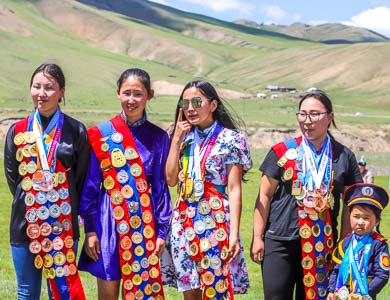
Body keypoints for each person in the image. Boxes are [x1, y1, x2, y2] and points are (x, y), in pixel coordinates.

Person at [251, 90, 363, 300]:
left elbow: (351, 205)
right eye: (302, 114)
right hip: (280, 240)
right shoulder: (282, 151)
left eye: (314, 114)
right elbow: (263, 195)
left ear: (330, 117)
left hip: (323, 242)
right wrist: (257, 237)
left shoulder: (344, 156)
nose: (307, 121)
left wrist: (345, 244)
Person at [78, 68, 172, 300]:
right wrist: (90, 229)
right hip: (107, 219)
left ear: (149, 95)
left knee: (142, 292)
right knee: (107, 292)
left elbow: (161, 189)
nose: (131, 100)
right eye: (126, 93)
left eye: (138, 94)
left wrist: (161, 232)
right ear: (118, 93)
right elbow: (90, 185)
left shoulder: (159, 137)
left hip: (144, 221)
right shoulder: (100, 134)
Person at [4, 63, 89, 300]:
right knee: (27, 292)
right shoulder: (18, 130)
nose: (41, 93)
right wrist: (34, 201)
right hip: (25, 222)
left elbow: (80, 179)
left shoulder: (76, 131)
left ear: (62, 92)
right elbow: (14, 178)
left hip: (62, 224)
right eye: (36, 86)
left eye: (49, 88)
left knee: (62, 293)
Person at [161, 80, 252, 300]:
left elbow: (234, 188)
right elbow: (171, 180)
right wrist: (175, 142)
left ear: (212, 105)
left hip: (216, 220)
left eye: (196, 101)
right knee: (189, 287)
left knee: (214, 287)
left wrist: (233, 235)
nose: (190, 108)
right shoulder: (181, 137)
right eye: (185, 102)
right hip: (184, 221)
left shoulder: (232, 140)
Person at [327, 183, 389, 300]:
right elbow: (336, 269)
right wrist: (331, 290)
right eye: (356, 216)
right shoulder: (345, 243)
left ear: (376, 222)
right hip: (341, 295)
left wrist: (366, 292)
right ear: (349, 216)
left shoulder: (379, 244)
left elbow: (382, 275)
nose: (360, 222)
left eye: (366, 218)